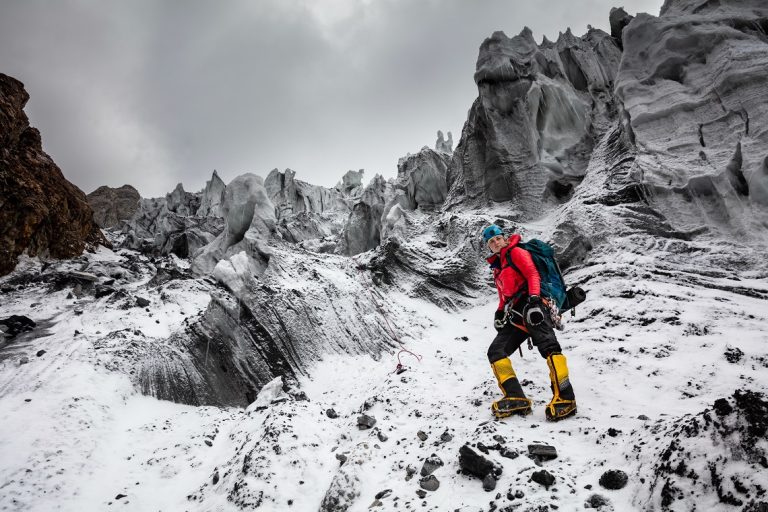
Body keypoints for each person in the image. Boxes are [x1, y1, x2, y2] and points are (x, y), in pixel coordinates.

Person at [482, 224, 577, 421]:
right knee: (496, 351)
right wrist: (499, 313)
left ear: (505, 238)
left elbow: (532, 274)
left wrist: (534, 299)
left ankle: (566, 398)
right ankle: (515, 396)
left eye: (498, 238)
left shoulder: (516, 252)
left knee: (549, 347)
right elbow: (503, 296)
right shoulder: (498, 268)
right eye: (491, 241)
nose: (496, 242)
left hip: (535, 306)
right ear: (489, 247)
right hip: (516, 313)